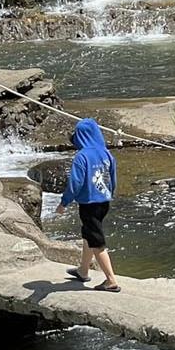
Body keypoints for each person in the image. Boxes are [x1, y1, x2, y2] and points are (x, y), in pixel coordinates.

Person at [58, 118, 121, 293]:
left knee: (96, 241)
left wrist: (64, 202)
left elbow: (75, 182)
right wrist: (110, 193)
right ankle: (83, 270)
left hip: (89, 204)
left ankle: (111, 280)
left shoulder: (82, 156)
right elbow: (113, 178)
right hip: (104, 202)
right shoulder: (106, 153)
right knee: (88, 234)